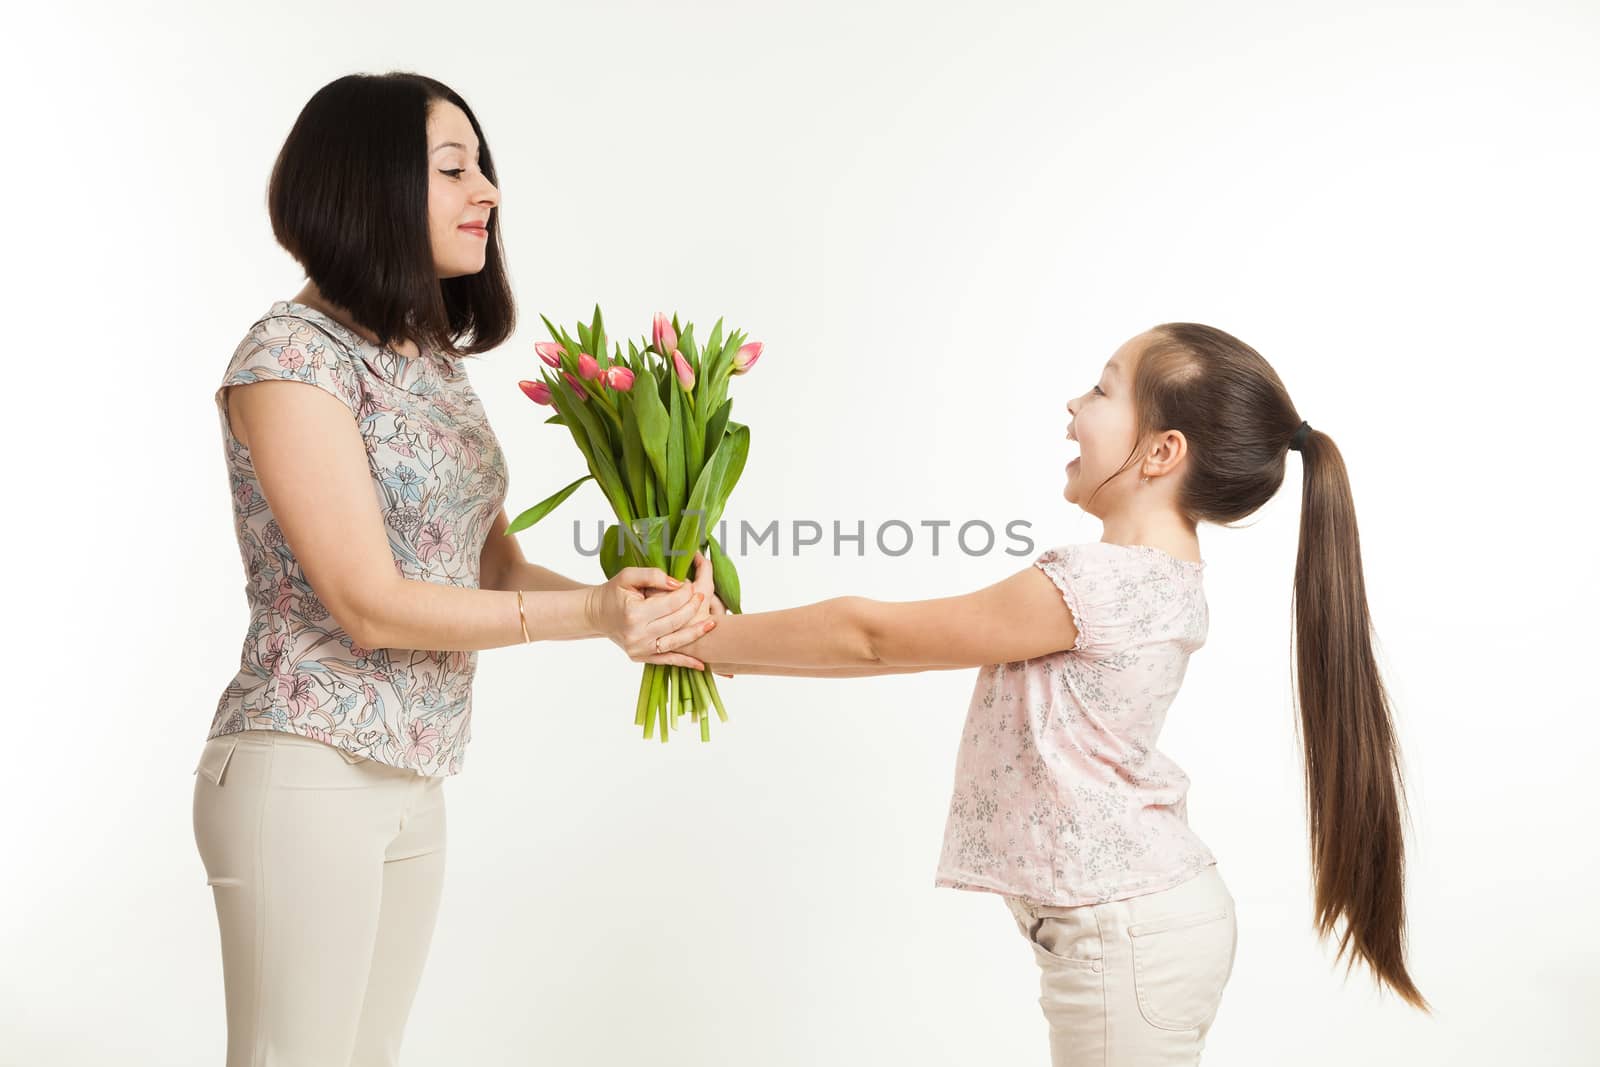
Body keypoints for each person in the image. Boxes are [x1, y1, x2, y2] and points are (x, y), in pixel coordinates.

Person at [676, 322, 1429, 1064]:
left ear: (1163, 451)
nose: (1074, 405)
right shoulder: (1151, 578)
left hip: (1126, 933)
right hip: (1135, 926)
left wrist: (699, 637)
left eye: (1103, 389)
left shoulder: (1100, 584)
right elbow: (876, 654)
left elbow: (877, 638)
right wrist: (719, 648)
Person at [193, 72, 717, 1067]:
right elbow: (368, 605)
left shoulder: (428, 363)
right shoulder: (289, 359)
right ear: (366, 185)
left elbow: (497, 568)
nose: (488, 191)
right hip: (302, 764)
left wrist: (652, 611)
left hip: (413, 772)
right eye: (452, 167)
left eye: (482, 166)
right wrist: (602, 614)